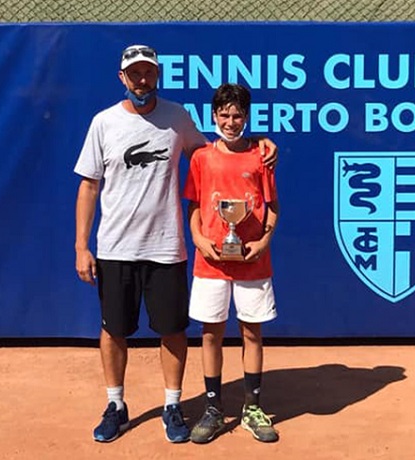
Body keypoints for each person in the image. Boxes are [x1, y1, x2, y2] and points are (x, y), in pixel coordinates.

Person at [74, 45, 277, 444]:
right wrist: (82, 246)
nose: (142, 80)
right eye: (134, 74)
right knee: (114, 330)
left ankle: (172, 404)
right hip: (115, 248)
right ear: (122, 78)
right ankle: (116, 404)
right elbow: (89, 186)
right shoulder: (103, 123)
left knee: (172, 329)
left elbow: (216, 151)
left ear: (158, 75)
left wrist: (260, 143)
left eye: (148, 72)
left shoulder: (177, 117)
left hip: (166, 247)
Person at [184, 83, 280, 444]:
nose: (230, 121)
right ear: (213, 116)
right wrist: (199, 240)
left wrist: (264, 241)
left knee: (252, 332)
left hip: (253, 262)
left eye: (237, 115)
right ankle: (213, 406)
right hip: (210, 261)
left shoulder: (261, 155)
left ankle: (252, 407)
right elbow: (194, 207)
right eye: (224, 114)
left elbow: (273, 208)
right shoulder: (201, 158)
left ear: (247, 117)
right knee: (211, 333)